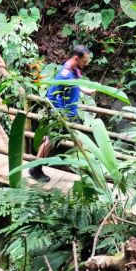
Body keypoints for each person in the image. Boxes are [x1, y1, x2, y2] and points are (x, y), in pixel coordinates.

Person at [29, 44, 92, 183]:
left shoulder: (73, 70)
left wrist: (85, 90)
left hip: (72, 114)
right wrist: (58, 113)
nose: (86, 63)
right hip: (62, 114)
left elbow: (72, 85)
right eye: (84, 60)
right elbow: (51, 95)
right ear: (76, 58)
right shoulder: (64, 74)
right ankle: (35, 168)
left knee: (81, 141)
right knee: (50, 141)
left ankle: (87, 172)